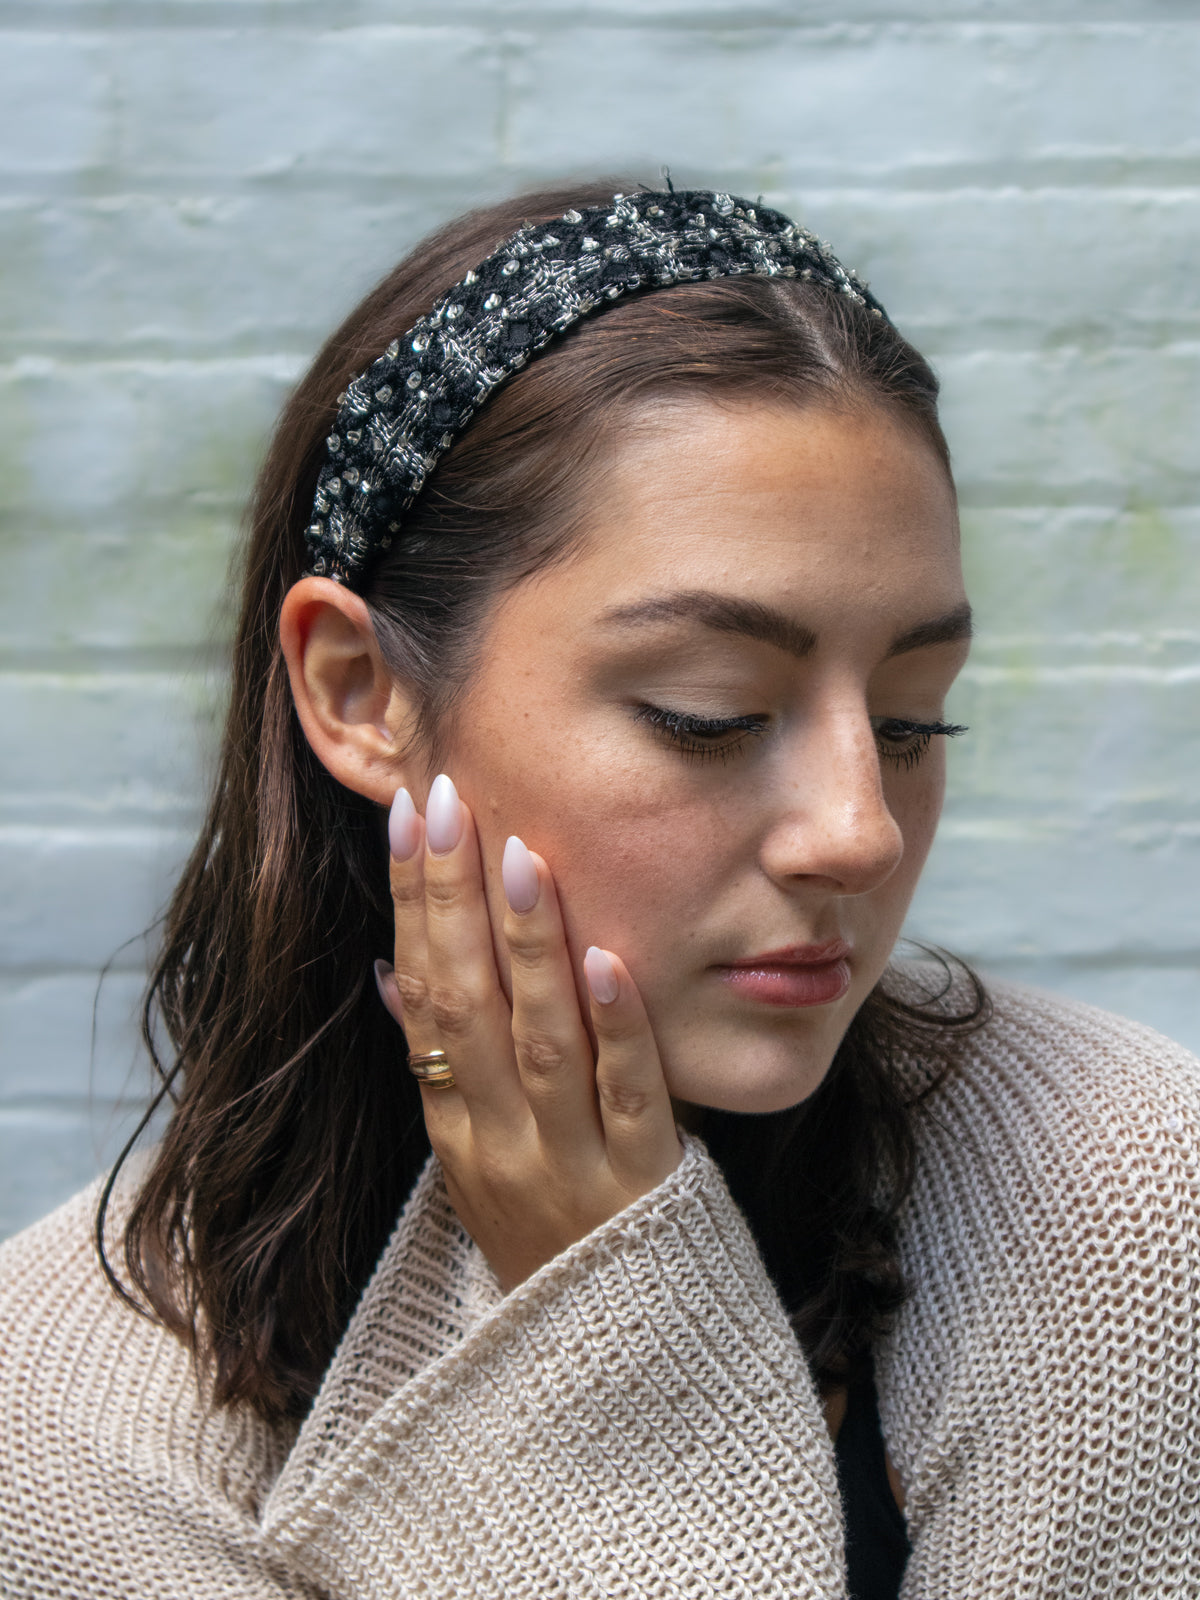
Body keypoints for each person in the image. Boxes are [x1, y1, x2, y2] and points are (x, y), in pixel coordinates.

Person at [1, 181, 1197, 1600]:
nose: (860, 833)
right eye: (708, 711)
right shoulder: (67, 1419)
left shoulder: (1117, 1185)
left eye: (912, 718)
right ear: (360, 689)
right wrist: (617, 1354)